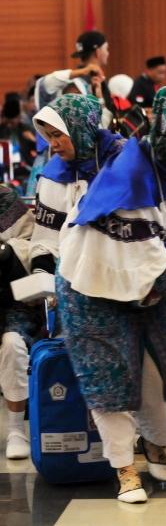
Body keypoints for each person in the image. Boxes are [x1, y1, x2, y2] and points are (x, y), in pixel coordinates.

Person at [57, 86, 166, 503]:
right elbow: (142, 249)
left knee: (158, 373)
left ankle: (153, 441)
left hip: (146, 291)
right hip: (93, 288)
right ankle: (124, 469)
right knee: (109, 378)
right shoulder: (130, 174)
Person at [29, 94, 127, 275]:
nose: (53, 144)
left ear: (79, 129)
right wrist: (41, 269)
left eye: (58, 135)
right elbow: (46, 239)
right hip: (72, 273)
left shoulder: (122, 162)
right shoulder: (53, 175)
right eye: (49, 136)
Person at [0, 187, 39, 460]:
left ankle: (16, 430)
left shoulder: (7, 200)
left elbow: (30, 244)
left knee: (13, 343)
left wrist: (7, 250)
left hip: (13, 299)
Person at [34, 31, 114, 127]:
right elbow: (45, 83)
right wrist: (83, 71)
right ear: (98, 52)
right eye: (106, 49)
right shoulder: (75, 84)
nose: (108, 53)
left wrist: (100, 98)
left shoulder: (97, 81)